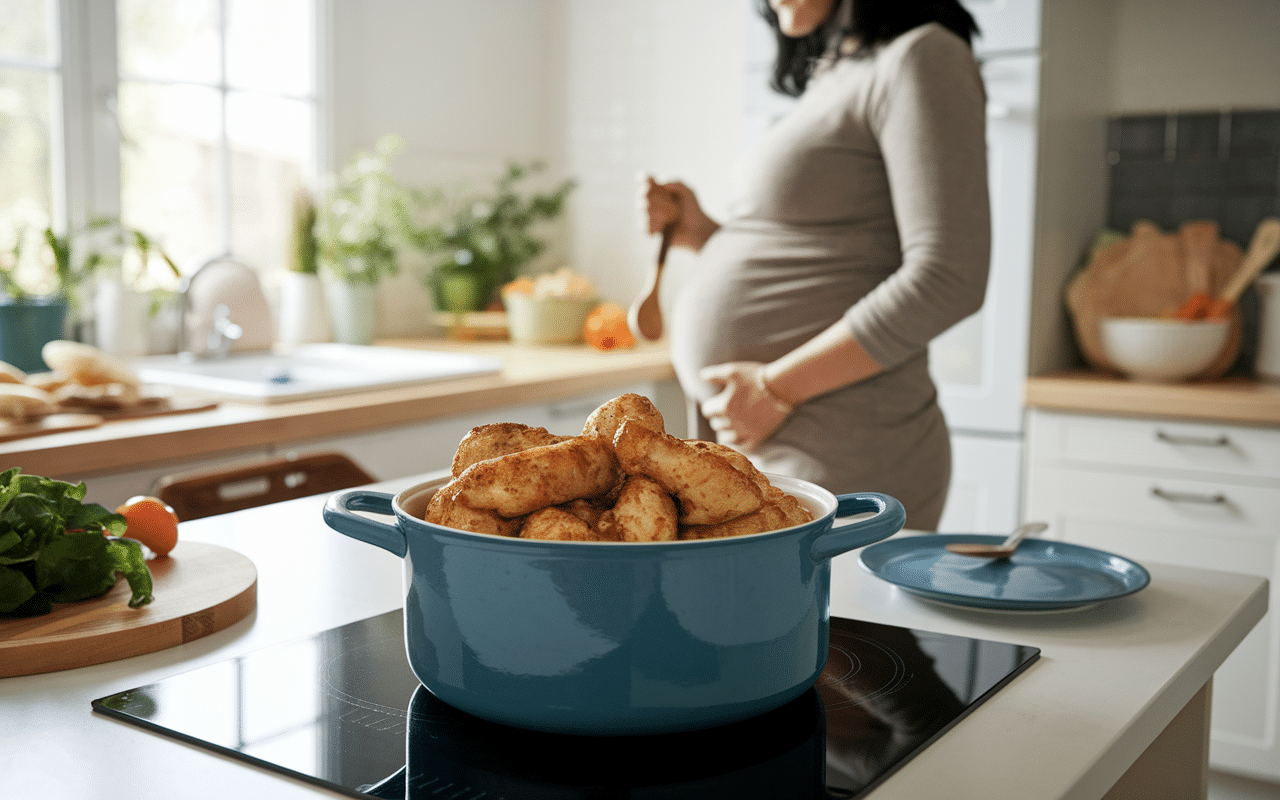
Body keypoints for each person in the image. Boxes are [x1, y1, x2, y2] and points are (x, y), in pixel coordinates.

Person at [642, 0, 990, 531]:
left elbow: (950, 276)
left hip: (841, 446)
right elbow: (819, 252)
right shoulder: (838, 74)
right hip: (774, 444)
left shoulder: (922, 55)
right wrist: (703, 234)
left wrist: (776, 387)